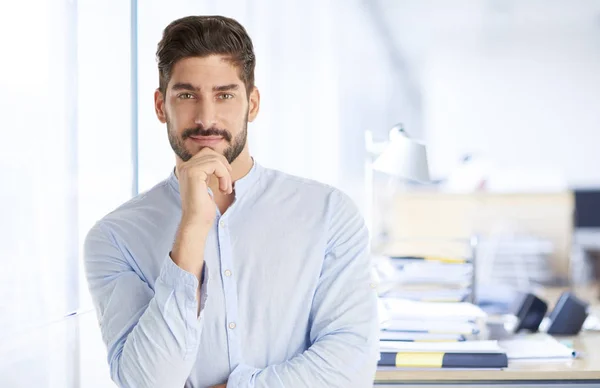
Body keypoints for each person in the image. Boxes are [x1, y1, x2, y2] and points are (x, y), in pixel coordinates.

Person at [84, 15, 379, 388]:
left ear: (252, 104)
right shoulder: (113, 238)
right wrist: (192, 227)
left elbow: (349, 367)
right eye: (187, 95)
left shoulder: (328, 214)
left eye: (224, 95)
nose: (206, 119)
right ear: (161, 106)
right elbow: (147, 382)